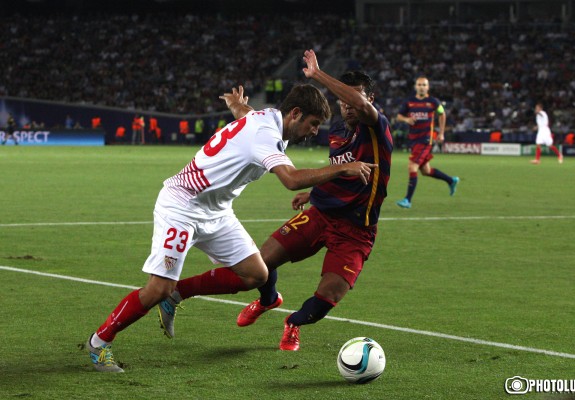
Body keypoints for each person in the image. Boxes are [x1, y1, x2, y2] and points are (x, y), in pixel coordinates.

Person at [85, 83, 377, 372]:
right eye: (313, 124)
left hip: (216, 211)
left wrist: (237, 105)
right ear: (295, 114)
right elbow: (291, 180)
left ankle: (177, 296)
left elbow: (245, 114)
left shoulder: (265, 119)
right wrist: (342, 168)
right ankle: (99, 343)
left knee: (256, 273)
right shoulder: (265, 133)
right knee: (158, 288)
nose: (315, 131)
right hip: (182, 206)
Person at [158, 49, 392, 352]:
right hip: (322, 214)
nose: (348, 106)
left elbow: (357, 108)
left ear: (369, 100)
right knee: (259, 264)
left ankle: (293, 323)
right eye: (343, 100)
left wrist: (317, 75)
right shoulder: (337, 131)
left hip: (357, 231)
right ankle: (261, 299)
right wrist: (313, 194)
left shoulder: (377, 127)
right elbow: (269, 134)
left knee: (328, 296)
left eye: (354, 99)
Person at [396, 76, 459, 209]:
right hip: (413, 140)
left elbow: (442, 114)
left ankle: (407, 200)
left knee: (412, 167)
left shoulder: (433, 102)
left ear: (428, 87)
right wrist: (406, 120)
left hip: (425, 141)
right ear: (415, 87)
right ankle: (451, 180)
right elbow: (399, 116)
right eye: (419, 85)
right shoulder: (409, 102)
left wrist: (441, 133)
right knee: (426, 170)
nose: (422, 87)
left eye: (424, 85)